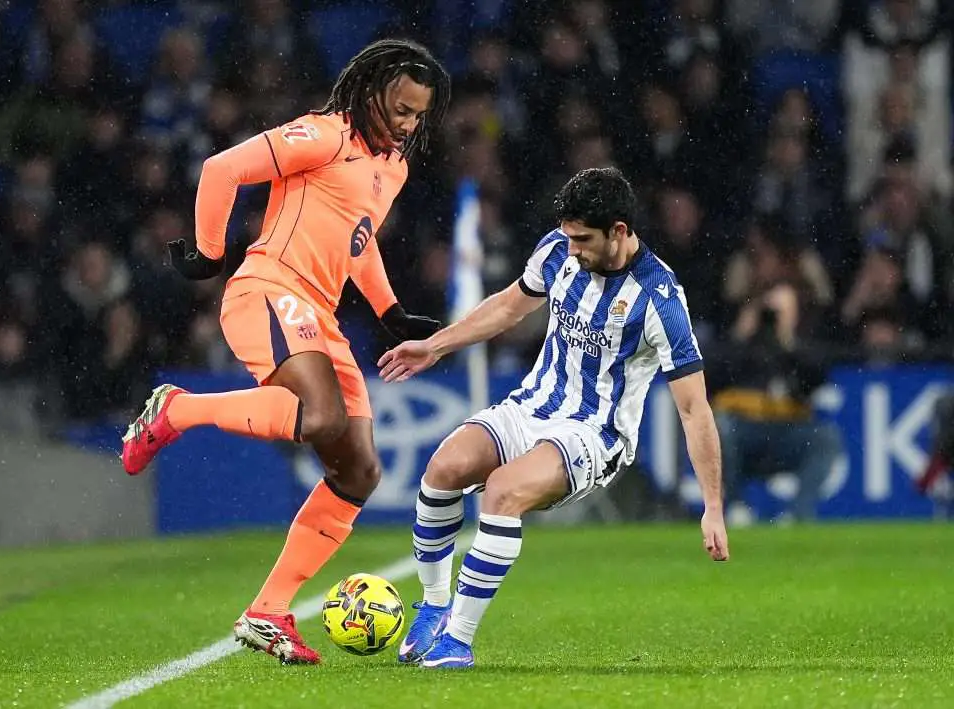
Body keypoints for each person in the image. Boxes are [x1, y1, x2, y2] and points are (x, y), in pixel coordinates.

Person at [120, 39, 450, 665]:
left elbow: (357, 240)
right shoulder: (324, 134)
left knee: (359, 471)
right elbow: (222, 169)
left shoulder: (393, 166)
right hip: (271, 289)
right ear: (372, 92)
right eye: (400, 109)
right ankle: (178, 408)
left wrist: (389, 311)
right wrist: (209, 252)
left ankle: (268, 611)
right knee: (320, 416)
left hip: (319, 314)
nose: (408, 124)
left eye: (418, 114)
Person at [377, 167, 730, 669]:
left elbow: (694, 410)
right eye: (569, 237)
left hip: (594, 434)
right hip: (532, 405)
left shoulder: (660, 299)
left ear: (619, 231)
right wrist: (434, 346)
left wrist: (712, 506)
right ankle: (435, 607)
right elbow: (508, 307)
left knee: (502, 492)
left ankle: (458, 640)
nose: (573, 249)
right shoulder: (558, 251)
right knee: (442, 469)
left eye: (584, 240)